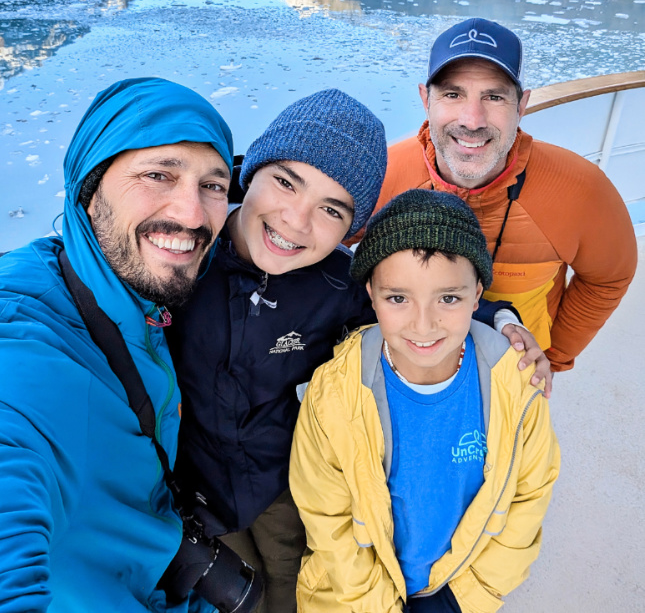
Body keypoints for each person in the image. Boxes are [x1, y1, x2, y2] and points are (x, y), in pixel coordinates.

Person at [167, 89, 549, 613]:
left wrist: (501, 320)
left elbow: (417, 302)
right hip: (190, 485)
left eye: (331, 209)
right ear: (249, 172)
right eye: (284, 181)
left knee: (286, 589)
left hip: (282, 483)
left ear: (351, 229)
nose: (296, 221)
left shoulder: (338, 285)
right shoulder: (180, 254)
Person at [0, 77, 234, 612]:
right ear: (90, 192)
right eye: (158, 174)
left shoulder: (128, 287)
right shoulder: (14, 344)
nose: (191, 215)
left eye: (214, 185)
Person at [290, 189, 561, 613]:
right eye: (398, 298)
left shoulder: (517, 385)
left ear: (478, 297)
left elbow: (529, 498)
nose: (423, 324)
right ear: (372, 296)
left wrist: (464, 599)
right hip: (355, 599)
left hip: (456, 593)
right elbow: (325, 516)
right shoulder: (333, 393)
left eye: (448, 298)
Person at [371, 17, 637, 371]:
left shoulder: (580, 189)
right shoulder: (383, 174)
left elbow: (608, 277)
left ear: (521, 105)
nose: (472, 119)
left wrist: (554, 355)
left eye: (494, 96)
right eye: (453, 94)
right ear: (425, 99)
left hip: (516, 370)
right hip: (403, 368)